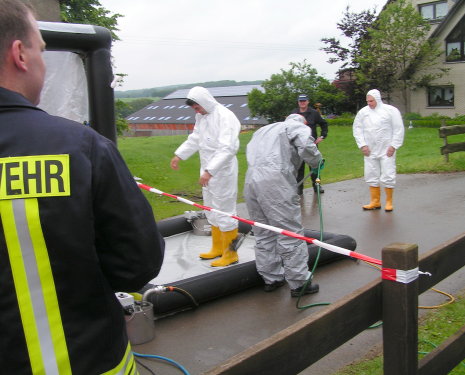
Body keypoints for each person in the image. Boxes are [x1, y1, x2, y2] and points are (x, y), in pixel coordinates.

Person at [0, 2, 165, 374]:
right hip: (89, 361)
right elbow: (137, 263)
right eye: (41, 50)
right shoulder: (81, 147)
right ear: (20, 54)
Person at [244, 114, 323, 297]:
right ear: (302, 122)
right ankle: (299, 283)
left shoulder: (264, 130)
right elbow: (306, 145)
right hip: (275, 181)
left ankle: (272, 278)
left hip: (251, 181)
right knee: (289, 232)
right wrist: (317, 162)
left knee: (263, 232)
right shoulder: (296, 127)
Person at [170, 86, 241, 267]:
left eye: (197, 107)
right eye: (194, 109)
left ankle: (230, 253)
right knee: (210, 209)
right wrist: (179, 155)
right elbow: (195, 138)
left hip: (222, 170)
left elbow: (228, 148)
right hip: (207, 170)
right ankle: (217, 248)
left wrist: (210, 171)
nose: (197, 111)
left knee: (224, 211)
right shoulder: (201, 117)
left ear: (204, 102)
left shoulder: (225, 117)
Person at [353, 89, 405, 212]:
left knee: (388, 173)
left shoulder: (391, 111)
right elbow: (357, 129)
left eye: (371, 101)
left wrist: (394, 146)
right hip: (370, 150)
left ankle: (389, 201)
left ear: (377, 99)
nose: (369, 103)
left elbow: (398, 129)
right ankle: (375, 201)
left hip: (387, 149)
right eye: (367, 101)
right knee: (371, 174)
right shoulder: (363, 112)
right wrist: (362, 145)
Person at [292, 94, 328, 194]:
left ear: (308, 102)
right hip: (297, 146)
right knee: (299, 168)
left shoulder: (314, 113)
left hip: (311, 145)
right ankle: (299, 188)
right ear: (298, 102)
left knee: (314, 167)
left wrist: (322, 136)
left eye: (304, 101)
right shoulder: (294, 113)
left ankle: (317, 185)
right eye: (300, 101)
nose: (302, 103)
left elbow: (324, 124)